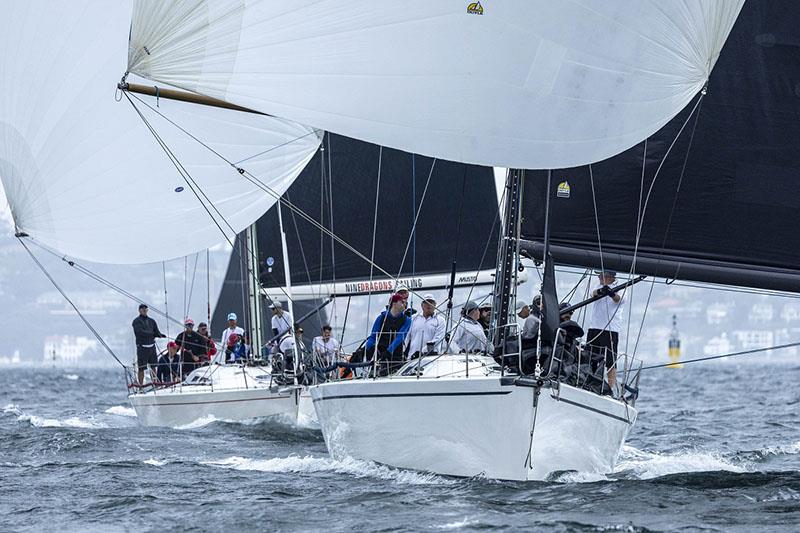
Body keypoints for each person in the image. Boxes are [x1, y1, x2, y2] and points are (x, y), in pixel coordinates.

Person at [587, 270, 623, 389]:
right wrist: (601, 291)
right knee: (590, 356)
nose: (599, 277)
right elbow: (592, 294)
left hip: (610, 329)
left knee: (610, 360)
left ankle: (610, 386)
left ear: (610, 277)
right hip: (594, 327)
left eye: (601, 275)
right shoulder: (598, 285)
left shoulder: (620, 286)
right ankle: (590, 381)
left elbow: (619, 299)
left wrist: (611, 293)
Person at [366, 293, 412, 374]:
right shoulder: (381, 318)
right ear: (394, 303)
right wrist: (369, 348)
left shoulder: (407, 320)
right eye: (402, 302)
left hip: (396, 355)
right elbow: (373, 336)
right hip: (380, 354)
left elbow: (400, 337)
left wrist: (389, 351)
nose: (404, 305)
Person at [132, 303, 166, 385]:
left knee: (154, 366)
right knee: (141, 368)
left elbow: (156, 332)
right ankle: (140, 385)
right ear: (139, 310)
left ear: (147, 310)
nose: (144, 310)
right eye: (142, 309)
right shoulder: (136, 321)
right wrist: (152, 334)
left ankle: (155, 383)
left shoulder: (152, 321)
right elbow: (140, 332)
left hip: (152, 347)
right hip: (142, 348)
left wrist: (160, 335)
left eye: (145, 309)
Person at [405, 294, 446, 359]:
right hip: (412, 357)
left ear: (435, 305)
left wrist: (422, 351)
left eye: (431, 302)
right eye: (426, 302)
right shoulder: (413, 318)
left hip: (432, 358)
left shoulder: (440, 320)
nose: (428, 304)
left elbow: (438, 339)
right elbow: (406, 337)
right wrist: (403, 351)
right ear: (422, 305)